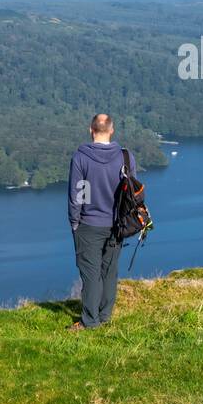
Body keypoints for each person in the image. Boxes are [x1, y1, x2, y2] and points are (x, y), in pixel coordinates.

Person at [67, 113, 135, 330]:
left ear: (91, 129)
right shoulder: (125, 157)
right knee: (109, 271)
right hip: (117, 225)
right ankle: (104, 316)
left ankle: (90, 322)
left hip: (88, 224)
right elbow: (130, 193)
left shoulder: (81, 158)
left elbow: (78, 195)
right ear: (112, 130)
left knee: (91, 274)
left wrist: (75, 222)